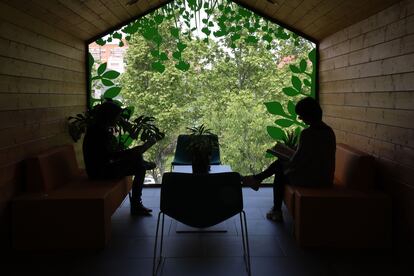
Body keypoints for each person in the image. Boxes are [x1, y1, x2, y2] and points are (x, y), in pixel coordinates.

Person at [242, 97, 336, 222]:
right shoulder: (329, 131)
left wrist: (286, 158)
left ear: (308, 114)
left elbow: (297, 161)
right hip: (325, 178)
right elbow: (312, 157)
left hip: (313, 180)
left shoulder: (307, 134)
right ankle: (258, 181)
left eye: (301, 115)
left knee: (280, 170)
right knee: (281, 166)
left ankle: (273, 205)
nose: (300, 118)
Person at [83, 101, 159, 216]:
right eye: (117, 116)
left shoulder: (97, 129)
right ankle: (136, 205)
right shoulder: (99, 132)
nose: (118, 119)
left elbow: (107, 155)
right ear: (109, 116)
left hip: (99, 168)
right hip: (99, 172)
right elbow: (109, 156)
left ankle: (143, 165)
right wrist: (130, 152)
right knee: (140, 168)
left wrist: (131, 152)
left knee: (138, 158)